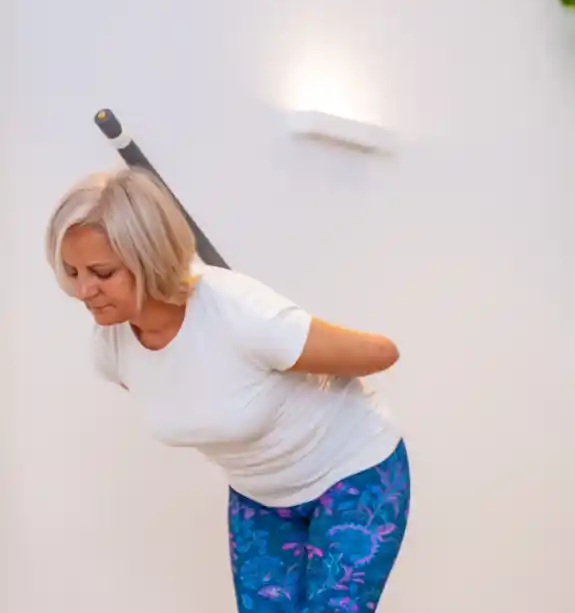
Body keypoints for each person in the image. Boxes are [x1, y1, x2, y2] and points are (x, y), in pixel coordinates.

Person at [46, 167, 410, 612]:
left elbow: (382, 352)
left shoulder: (242, 313)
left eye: (102, 272)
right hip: (259, 494)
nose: (84, 290)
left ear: (149, 258)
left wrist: (292, 347)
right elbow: (191, 396)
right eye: (72, 271)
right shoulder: (112, 347)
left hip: (353, 472)